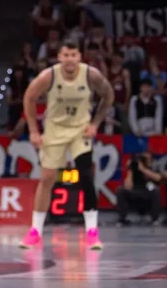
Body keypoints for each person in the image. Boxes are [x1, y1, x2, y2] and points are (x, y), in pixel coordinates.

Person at [21, 40, 114, 250]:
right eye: (66, 55)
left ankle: (92, 231)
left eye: (74, 55)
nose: (70, 59)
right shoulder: (49, 76)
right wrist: (34, 130)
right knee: (47, 178)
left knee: (85, 175)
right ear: (60, 57)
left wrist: (95, 123)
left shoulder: (91, 75)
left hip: (80, 129)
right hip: (54, 130)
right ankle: (35, 231)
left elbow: (108, 95)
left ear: (79, 57)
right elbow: (29, 97)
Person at [117, 152, 162, 225]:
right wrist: (130, 170)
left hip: (148, 193)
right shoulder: (135, 167)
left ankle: (155, 220)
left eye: (148, 159)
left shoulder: (154, 166)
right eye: (143, 158)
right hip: (135, 192)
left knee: (156, 190)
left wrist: (143, 169)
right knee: (120, 190)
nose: (145, 160)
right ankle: (122, 219)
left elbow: (158, 178)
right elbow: (128, 186)